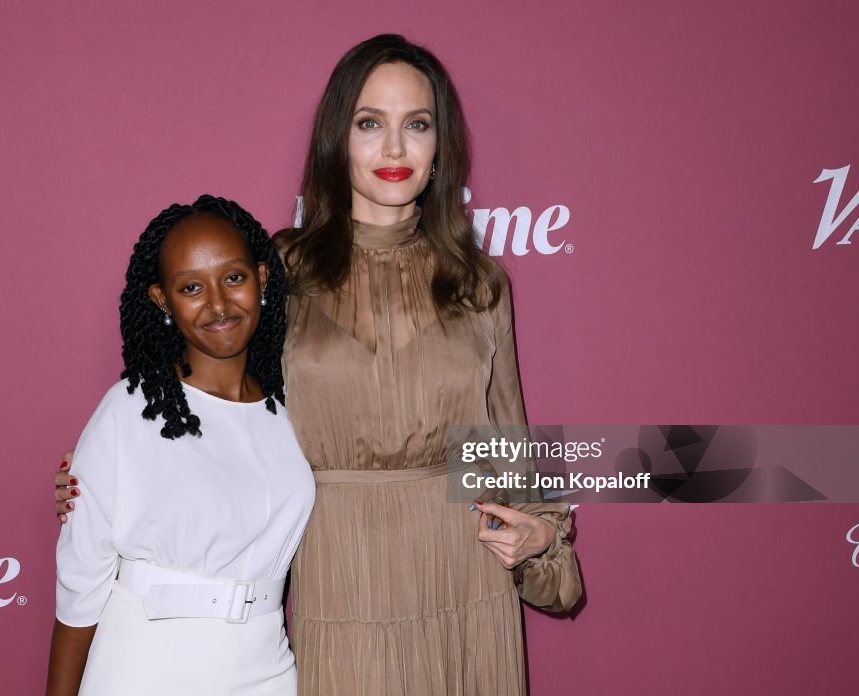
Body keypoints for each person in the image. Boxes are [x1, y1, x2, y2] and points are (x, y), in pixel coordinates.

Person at [56, 35, 581, 695]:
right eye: (370, 124)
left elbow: (503, 447)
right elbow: (212, 403)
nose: (394, 149)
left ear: (440, 144)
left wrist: (539, 537)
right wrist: (100, 482)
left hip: (464, 579)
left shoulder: (479, 283)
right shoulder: (284, 271)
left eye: (416, 125)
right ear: (338, 138)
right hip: (339, 578)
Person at [47, 195, 315, 696]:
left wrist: (502, 504)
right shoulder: (130, 410)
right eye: (191, 287)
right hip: (146, 668)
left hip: (268, 672)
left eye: (233, 277)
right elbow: (79, 591)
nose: (217, 303)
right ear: (161, 300)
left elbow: (481, 422)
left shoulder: (293, 410)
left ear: (261, 277)